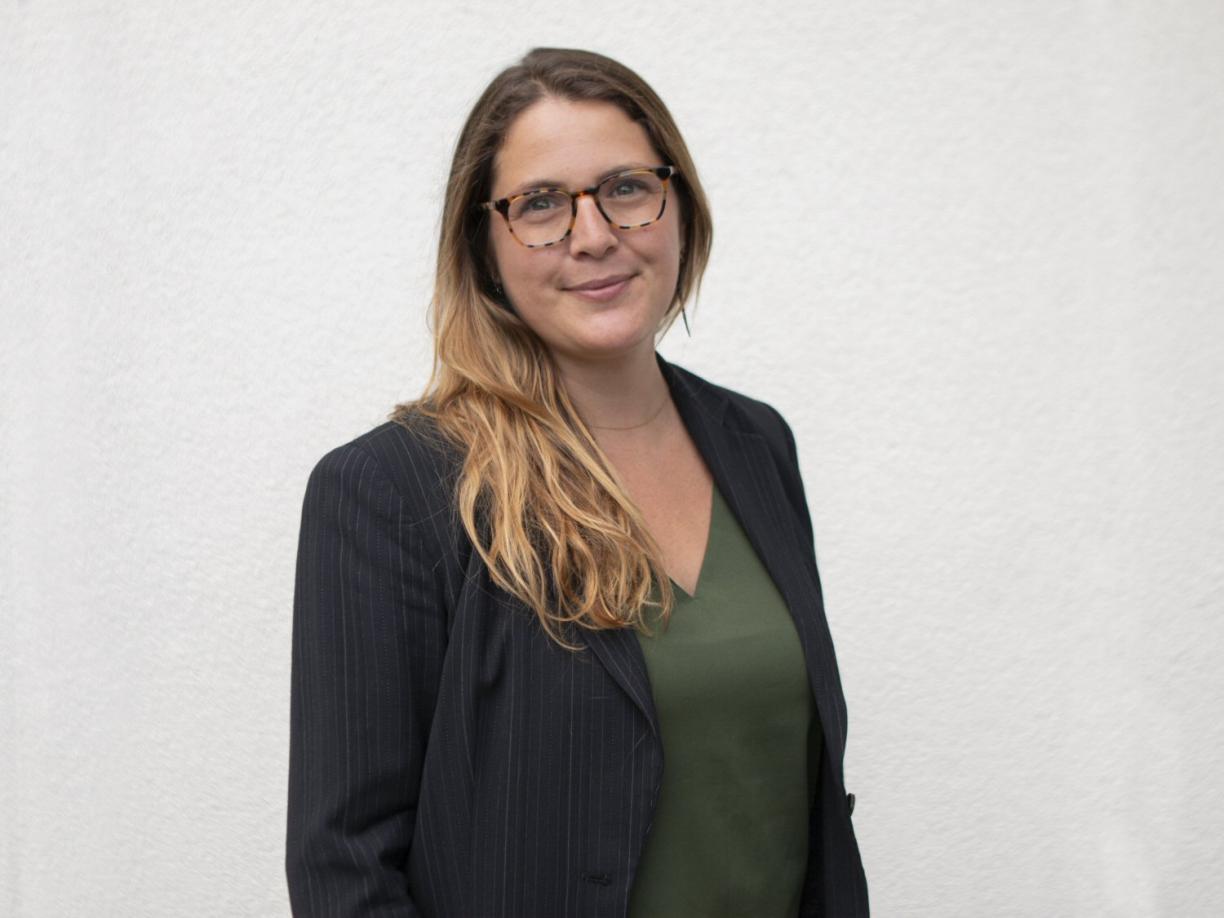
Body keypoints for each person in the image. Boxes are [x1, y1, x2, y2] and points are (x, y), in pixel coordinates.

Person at [286, 47, 868, 918]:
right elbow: (345, 869)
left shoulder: (757, 445)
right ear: (483, 245)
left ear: (679, 205)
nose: (594, 235)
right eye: (542, 206)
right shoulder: (392, 491)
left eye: (627, 187)